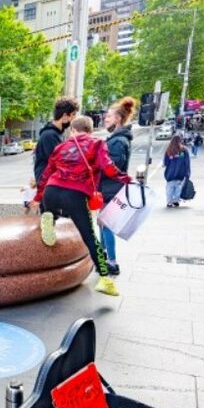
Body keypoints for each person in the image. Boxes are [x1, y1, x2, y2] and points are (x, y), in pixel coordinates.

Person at [31, 115, 130, 297]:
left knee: (50, 209)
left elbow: (45, 175)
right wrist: (126, 178)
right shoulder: (96, 144)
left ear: (72, 130)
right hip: (74, 194)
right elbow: (108, 168)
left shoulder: (61, 147)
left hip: (51, 191)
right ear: (90, 131)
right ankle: (105, 279)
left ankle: (49, 218)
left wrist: (38, 197)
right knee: (90, 237)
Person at [98, 96, 136, 277]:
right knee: (103, 224)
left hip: (110, 189)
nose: (105, 119)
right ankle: (104, 256)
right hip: (109, 188)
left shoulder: (118, 141)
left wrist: (96, 164)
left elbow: (112, 167)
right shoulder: (117, 139)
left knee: (106, 225)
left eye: (109, 117)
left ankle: (111, 262)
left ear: (118, 119)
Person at [33, 96, 80, 187]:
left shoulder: (56, 134)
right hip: (49, 186)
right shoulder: (50, 136)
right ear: (65, 116)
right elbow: (59, 163)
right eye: (73, 114)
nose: (74, 118)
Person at [163, 134, 190, 208]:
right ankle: (176, 201)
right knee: (178, 187)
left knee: (170, 187)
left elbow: (166, 162)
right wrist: (187, 172)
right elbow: (187, 162)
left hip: (170, 172)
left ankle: (169, 202)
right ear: (180, 141)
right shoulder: (184, 150)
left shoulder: (169, 150)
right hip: (181, 172)